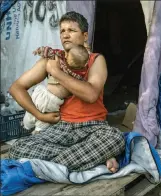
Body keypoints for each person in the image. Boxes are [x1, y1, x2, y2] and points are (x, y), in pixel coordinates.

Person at [8, 11, 125, 173]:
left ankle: (57, 165)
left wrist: (57, 73)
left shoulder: (96, 60)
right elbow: (16, 87)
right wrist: (39, 115)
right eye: (62, 31)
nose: (65, 35)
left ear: (85, 36)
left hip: (94, 127)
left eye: (71, 30)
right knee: (18, 148)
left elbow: (91, 95)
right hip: (62, 127)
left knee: (115, 139)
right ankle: (93, 157)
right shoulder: (53, 58)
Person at [23, 45, 89, 134]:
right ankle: (29, 127)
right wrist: (39, 50)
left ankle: (32, 128)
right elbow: (50, 51)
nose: (71, 64)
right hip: (47, 96)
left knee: (40, 117)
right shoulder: (66, 62)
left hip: (51, 99)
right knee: (35, 116)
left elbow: (82, 86)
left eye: (76, 64)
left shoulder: (76, 71)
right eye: (71, 59)